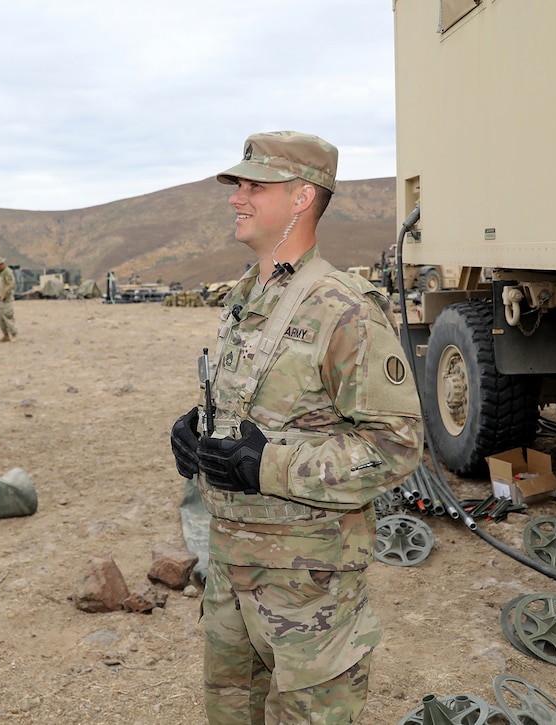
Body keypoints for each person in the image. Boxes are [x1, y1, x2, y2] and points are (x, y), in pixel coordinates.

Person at [169, 131, 423, 723]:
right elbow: (261, 403)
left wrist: (266, 466)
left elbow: (396, 446)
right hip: (233, 567)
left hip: (308, 586)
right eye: (238, 185)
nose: (237, 198)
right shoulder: (248, 295)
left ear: (303, 197)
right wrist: (196, 431)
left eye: (255, 185)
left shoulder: (344, 309)